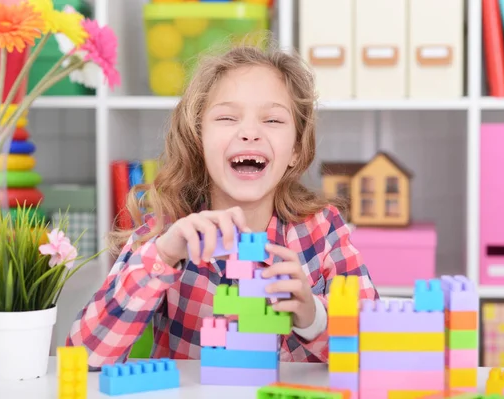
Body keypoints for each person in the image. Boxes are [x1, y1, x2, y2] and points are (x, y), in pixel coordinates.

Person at [67, 40, 379, 370]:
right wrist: (163, 256)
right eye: (228, 117)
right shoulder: (165, 233)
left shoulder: (322, 229)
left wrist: (312, 316)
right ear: (198, 140)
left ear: (297, 150)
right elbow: (84, 357)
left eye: (272, 121)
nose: (249, 132)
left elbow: (372, 349)